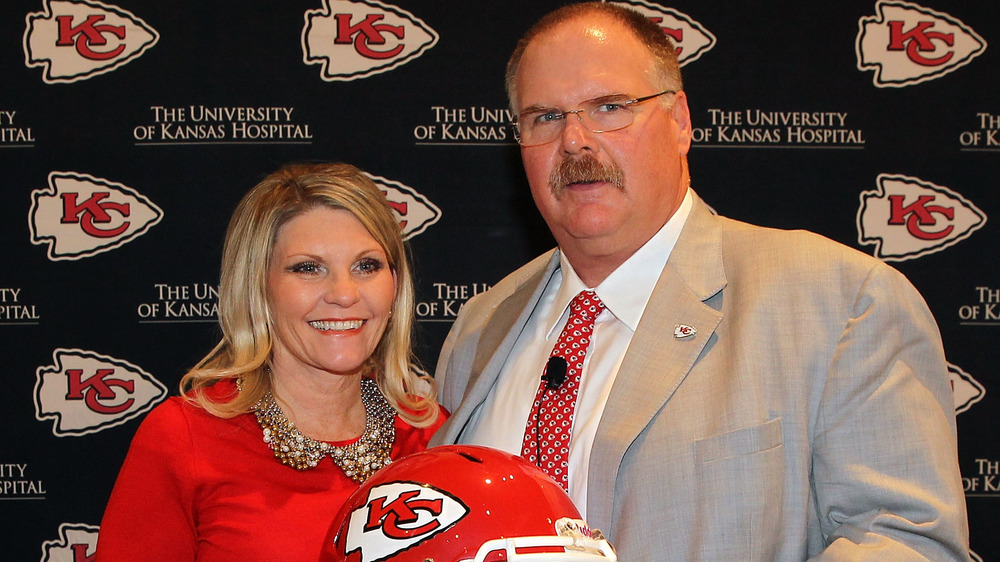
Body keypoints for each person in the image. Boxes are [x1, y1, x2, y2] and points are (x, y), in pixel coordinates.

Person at [430, 3, 970, 560]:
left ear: (681, 121)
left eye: (610, 107)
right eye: (545, 117)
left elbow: (902, 541)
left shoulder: (838, 301)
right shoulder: (480, 328)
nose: (574, 141)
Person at [97, 163, 446, 561]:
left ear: (395, 284)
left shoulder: (433, 437)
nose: (345, 293)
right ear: (259, 287)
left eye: (366, 266)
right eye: (307, 268)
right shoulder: (185, 436)